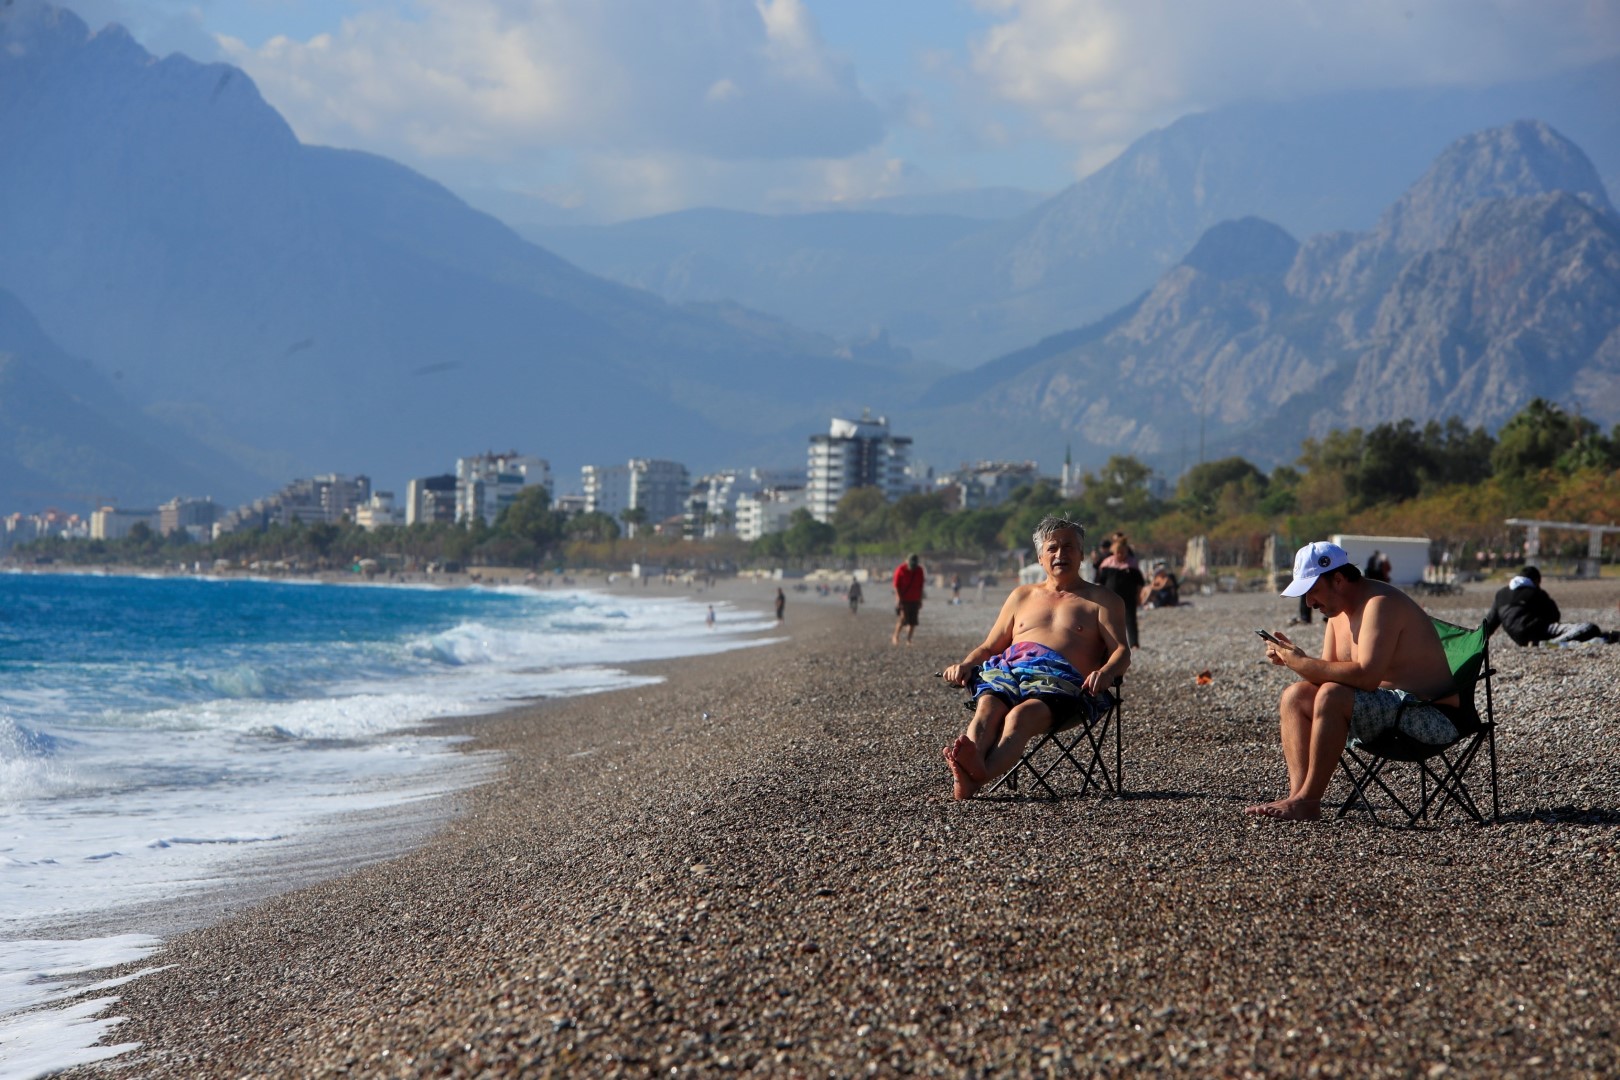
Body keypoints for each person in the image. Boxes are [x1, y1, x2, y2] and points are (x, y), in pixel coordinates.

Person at [1246, 541, 1465, 822]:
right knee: (1295, 696)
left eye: (1312, 591)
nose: (1309, 603)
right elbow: (1328, 675)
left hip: (1430, 716)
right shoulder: (1336, 614)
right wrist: (1294, 660)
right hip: (1386, 711)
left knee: (1331, 696)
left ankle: (1308, 799)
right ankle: (1298, 797)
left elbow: (1367, 677)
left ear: (1338, 579)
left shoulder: (1380, 604)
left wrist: (1302, 663)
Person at [941, 517, 1131, 800]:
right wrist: (966, 664)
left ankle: (974, 776)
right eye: (1052, 548)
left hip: (1064, 689)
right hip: (1008, 675)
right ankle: (972, 772)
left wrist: (1106, 672)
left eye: (1069, 547)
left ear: (1081, 554)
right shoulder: (1021, 596)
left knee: (1020, 716)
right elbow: (991, 646)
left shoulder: (1102, 600)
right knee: (988, 708)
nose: (1060, 554)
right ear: (1040, 557)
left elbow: (1121, 651)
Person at [1483, 565, 1616, 646]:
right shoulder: (1536, 592)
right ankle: (1550, 644)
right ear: (1536, 581)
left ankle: (1546, 642)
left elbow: (1489, 625)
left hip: (1518, 639)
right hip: (1538, 631)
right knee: (1589, 628)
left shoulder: (1501, 594)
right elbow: (1554, 615)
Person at [1096, 533, 1145, 648]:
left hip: (1129, 596)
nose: (1120, 555)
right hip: (1110, 597)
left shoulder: (1131, 564)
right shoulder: (1107, 563)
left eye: (1122, 553)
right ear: (1114, 552)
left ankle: (1134, 643)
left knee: (1130, 619)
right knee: (1108, 620)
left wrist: (1139, 596)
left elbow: (1139, 582)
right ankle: (1109, 643)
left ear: (1126, 552)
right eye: (1118, 553)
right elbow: (1100, 582)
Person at [892, 553, 926, 645]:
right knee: (903, 618)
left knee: (913, 621)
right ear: (907, 561)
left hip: (915, 599)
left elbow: (921, 586)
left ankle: (909, 639)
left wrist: (920, 600)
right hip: (903, 599)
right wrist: (898, 598)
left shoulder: (919, 570)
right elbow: (896, 586)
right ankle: (895, 636)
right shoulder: (900, 569)